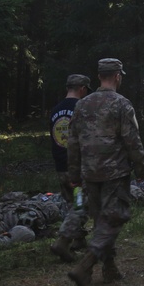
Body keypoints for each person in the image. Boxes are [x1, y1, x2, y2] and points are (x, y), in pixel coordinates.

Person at [66, 58, 144, 286]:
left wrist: (74, 174)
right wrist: (141, 169)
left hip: (89, 173)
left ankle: (110, 268)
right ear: (117, 76)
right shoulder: (122, 104)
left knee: (101, 219)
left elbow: (72, 143)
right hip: (114, 173)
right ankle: (85, 265)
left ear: (101, 75)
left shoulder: (82, 105)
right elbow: (132, 140)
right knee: (114, 218)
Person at [49, 74, 91, 263]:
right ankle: (62, 243)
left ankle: (79, 240)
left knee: (69, 203)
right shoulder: (80, 108)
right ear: (82, 88)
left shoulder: (55, 110)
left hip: (60, 167)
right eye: (86, 90)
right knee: (80, 204)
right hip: (77, 169)